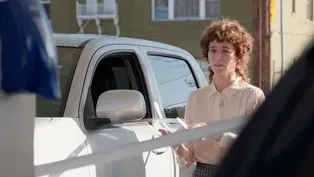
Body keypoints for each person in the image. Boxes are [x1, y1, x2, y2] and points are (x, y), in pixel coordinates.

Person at [175, 18, 265, 177]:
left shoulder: (252, 95)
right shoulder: (195, 97)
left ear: (239, 56)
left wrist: (211, 133)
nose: (218, 57)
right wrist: (178, 149)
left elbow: (255, 147)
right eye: (213, 50)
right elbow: (188, 158)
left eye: (225, 50)